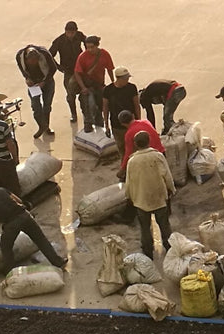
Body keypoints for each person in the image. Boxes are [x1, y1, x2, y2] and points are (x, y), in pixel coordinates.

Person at [0, 181, 66, 273]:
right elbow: (19, 201)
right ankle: (58, 262)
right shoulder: (1, 190)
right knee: (41, 240)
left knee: (5, 246)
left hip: (11, 225)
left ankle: (11, 271)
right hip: (24, 216)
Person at [125, 130, 176, 259]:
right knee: (164, 225)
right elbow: (167, 176)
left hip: (141, 200)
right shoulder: (157, 156)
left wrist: (129, 197)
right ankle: (169, 249)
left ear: (136, 144)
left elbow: (129, 182)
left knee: (145, 228)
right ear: (149, 141)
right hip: (158, 197)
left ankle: (148, 252)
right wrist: (172, 190)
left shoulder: (132, 161)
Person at [15, 44, 57, 139]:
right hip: (33, 84)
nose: (34, 63)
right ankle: (42, 125)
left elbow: (53, 68)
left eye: (36, 61)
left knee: (47, 105)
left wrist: (44, 81)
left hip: (47, 81)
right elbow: (21, 68)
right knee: (35, 106)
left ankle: (47, 127)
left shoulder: (44, 53)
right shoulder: (19, 56)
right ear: (26, 59)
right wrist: (27, 78)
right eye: (32, 62)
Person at [74, 35, 114, 133]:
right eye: (88, 47)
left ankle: (98, 121)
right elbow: (77, 73)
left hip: (99, 84)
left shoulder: (105, 54)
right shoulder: (82, 56)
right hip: (87, 85)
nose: (90, 50)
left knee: (101, 103)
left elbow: (109, 69)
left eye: (92, 47)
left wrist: (113, 83)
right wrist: (83, 87)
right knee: (89, 104)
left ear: (97, 46)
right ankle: (88, 123)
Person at [48, 21, 87, 123]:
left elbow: (87, 42)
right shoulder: (59, 41)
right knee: (70, 94)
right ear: (65, 31)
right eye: (68, 32)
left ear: (76, 31)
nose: (70, 35)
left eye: (72, 32)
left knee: (85, 91)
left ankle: (86, 113)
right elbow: (49, 55)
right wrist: (57, 66)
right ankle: (73, 114)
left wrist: (87, 55)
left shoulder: (79, 35)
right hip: (68, 70)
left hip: (81, 68)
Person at [103, 67, 140, 142]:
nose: (127, 80)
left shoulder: (132, 88)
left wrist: (138, 121)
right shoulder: (108, 90)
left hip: (131, 123)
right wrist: (106, 125)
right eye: (125, 78)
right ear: (119, 78)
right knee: (121, 146)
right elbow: (105, 108)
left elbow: (136, 105)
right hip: (116, 125)